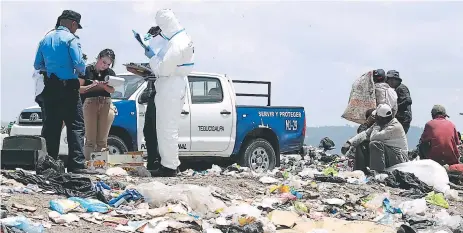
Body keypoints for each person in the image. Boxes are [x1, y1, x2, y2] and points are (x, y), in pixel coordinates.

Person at [33, 10, 95, 174]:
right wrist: (80, 66)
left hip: (50, 87)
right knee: (75, 125)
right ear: (73, 24)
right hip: (69, 88)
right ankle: (76, 165)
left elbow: (38, 65)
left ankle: (49, 164)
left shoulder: (45, 39)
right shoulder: (71, 39)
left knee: (51, 126)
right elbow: (79, 65)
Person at [143, 9, 195, 176]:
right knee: (166, 127)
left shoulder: (176, 43)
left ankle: (169, 166)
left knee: (166, 128)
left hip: (170, 84)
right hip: (173, 84)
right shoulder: (180, 38)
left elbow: (163, 69)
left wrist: (152, 57)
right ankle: (170, 164)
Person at [341, 104, 408, 172]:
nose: (374, 119)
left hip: (399, 158)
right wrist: (349, 142)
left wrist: (377, 126)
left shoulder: (394, 127)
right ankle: (360, 171)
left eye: (376, 117)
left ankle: (377, 173)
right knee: (361, 143)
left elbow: (374, 138)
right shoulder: (382, 123)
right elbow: (365, 134)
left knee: (375, 144)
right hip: (388, 154)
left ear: (381, 118)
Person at [79, 49, 117, 161]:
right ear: (99, 58)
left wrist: (104, 86)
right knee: (90, 140)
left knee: (102, 140)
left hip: (105, 103)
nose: (105, 66)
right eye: (103, 62)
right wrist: (92, 86)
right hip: (90, 102)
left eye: (108, 64)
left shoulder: (110, 73)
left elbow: (112, 90)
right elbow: (79, 89)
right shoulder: (87, 70)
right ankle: (87, 164)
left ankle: (101, 165)